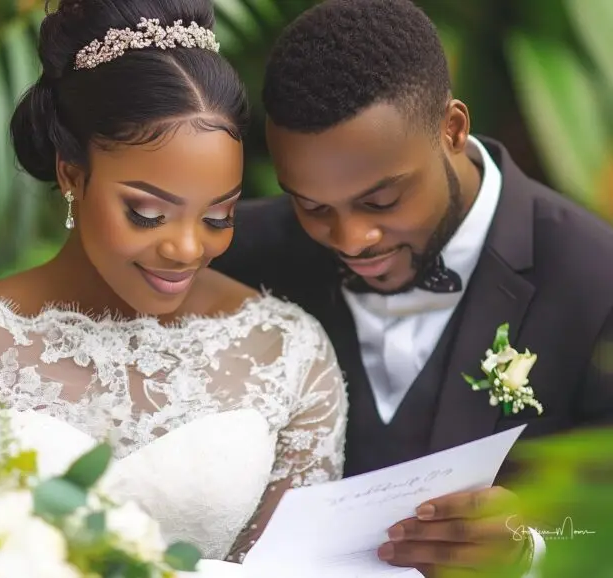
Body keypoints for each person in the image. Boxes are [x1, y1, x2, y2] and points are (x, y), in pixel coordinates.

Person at [0, 0, 348, 568]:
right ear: (71, 173)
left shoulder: (288, 353)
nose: (187, 249)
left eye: (217, 217)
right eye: (147, 213)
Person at [211, 0, 613, 575]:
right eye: (313, 205)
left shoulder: (596, 282)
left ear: (451, 129)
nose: (351, 237)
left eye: (381, 200)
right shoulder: (237, 255)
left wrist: (533, 543)